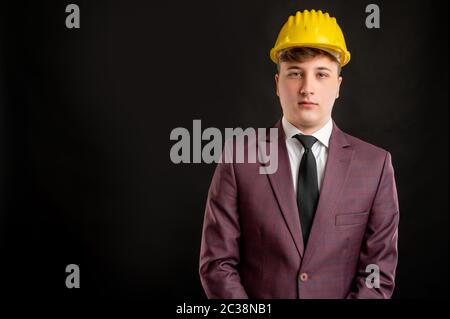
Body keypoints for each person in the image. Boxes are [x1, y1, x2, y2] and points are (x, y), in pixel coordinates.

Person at [199, 9, 399, 299]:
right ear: (277, 83)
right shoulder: (238, 159)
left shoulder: (376, 166)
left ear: (338, 86)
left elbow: (378, 272)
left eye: (321, 74)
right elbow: (217, 265)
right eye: (295, 74)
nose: (308, 88)